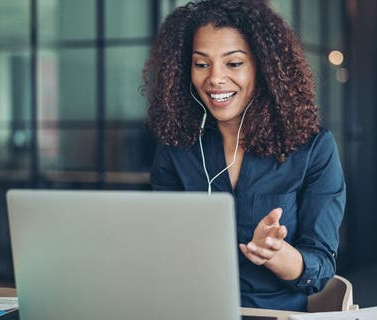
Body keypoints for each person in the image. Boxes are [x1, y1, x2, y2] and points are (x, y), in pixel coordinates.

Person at [143, 0, 345, 312]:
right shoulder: (176, 147)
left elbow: (320, 266)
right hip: (191, 310)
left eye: (234, 63)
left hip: (274, 315)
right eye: (201, 63)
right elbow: (158, 248)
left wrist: (278, 255)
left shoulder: (313, 148)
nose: (215, 79)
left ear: (264, 68)